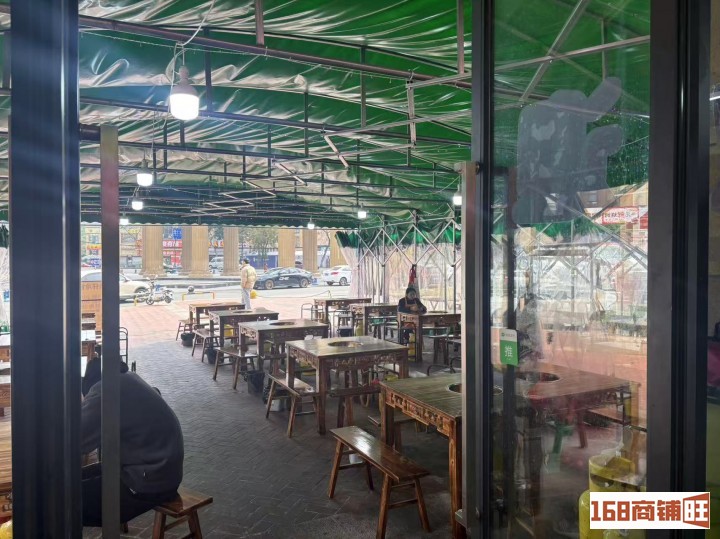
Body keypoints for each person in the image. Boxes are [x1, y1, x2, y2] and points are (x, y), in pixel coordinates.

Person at [81, 358, 184, 526]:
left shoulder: (105, 392)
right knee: (71, 481)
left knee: (59, 503)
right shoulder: (129, 378)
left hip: (148, 483)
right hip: (162, 473)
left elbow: (75, 440)